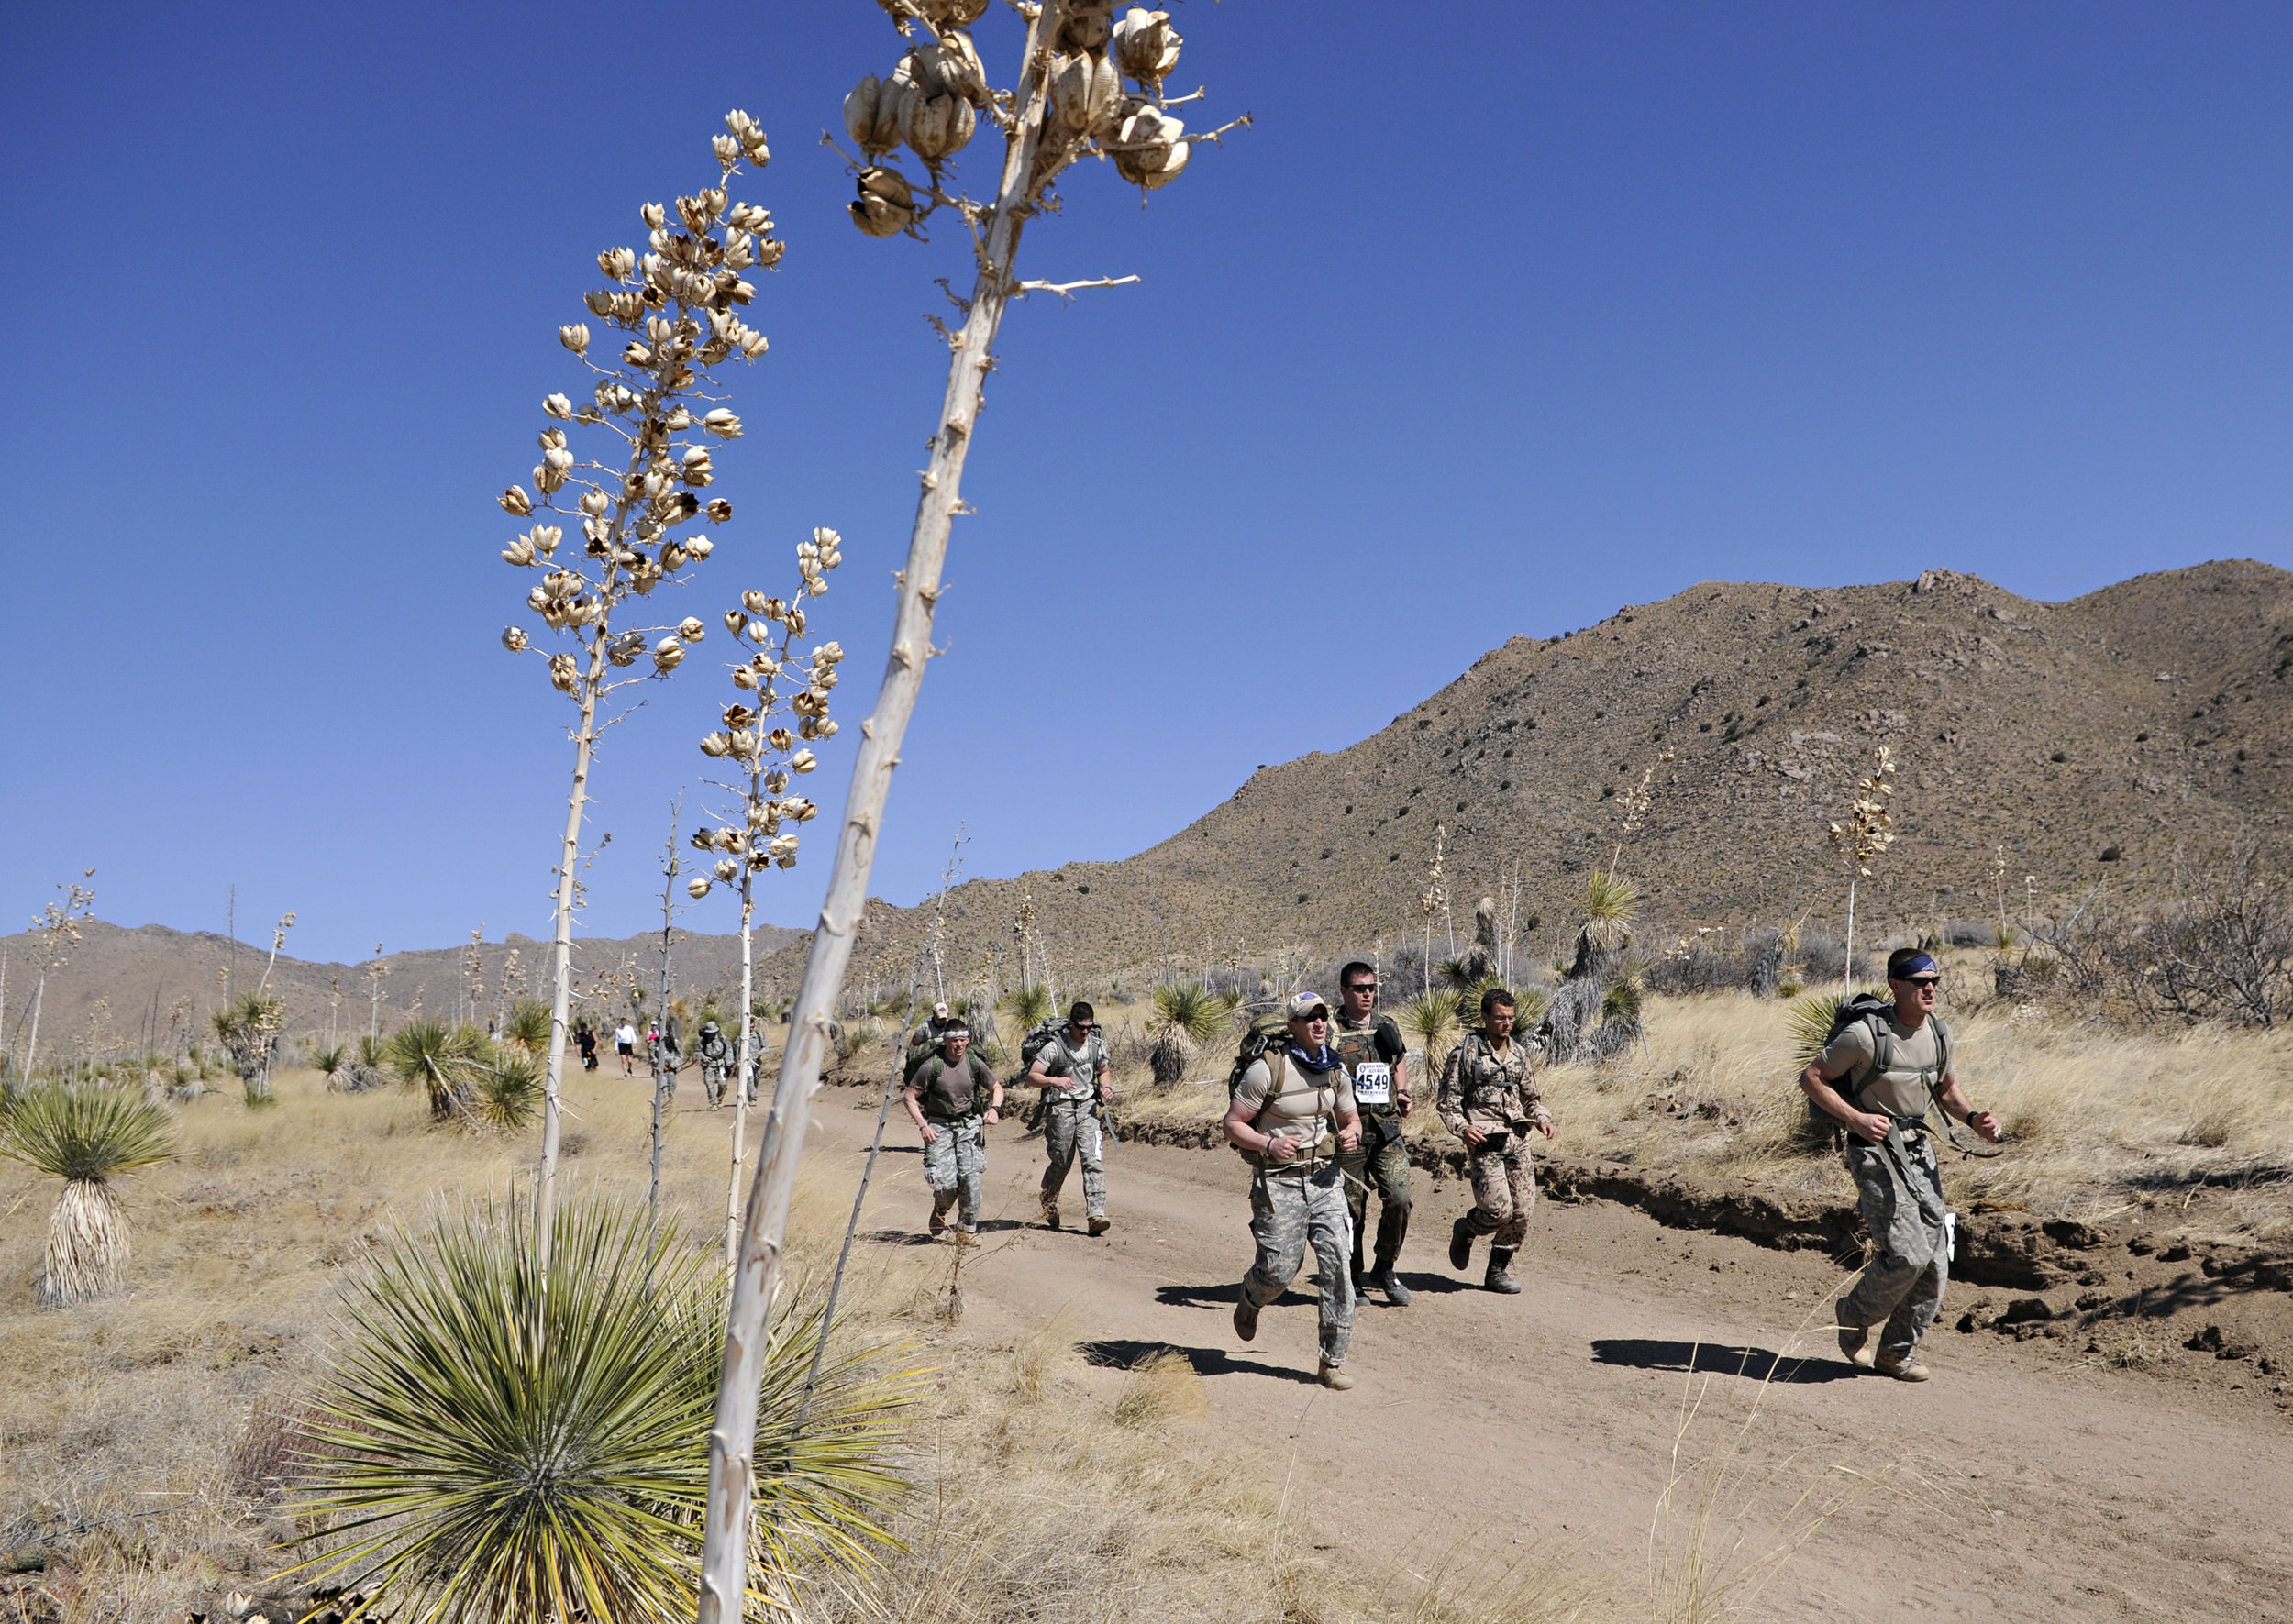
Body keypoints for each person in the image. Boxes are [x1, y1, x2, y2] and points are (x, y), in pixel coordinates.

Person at [1801, 948, 2002, 1381]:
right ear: (1895, 985)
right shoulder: (1863, 1035)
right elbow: (1812, 1078)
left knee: (1935, 1262)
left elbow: (1947, 1089)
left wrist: (1972, 1119)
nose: (1929, 988)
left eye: (1934, 980)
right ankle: (1853, 1315)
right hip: (1873, 1152)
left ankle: (1896, 1354)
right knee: (1908, 1254)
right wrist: (1854, 1117)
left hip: (1919, 1152)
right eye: (1918, 981)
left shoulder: (1939, 1033)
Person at [1224, 990, 1363, 1390]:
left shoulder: (1335, 1069)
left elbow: (1350, 1118)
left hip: (1324, 1180)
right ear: (1293, 1026)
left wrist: (1351, 1133)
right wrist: (1268, 1144)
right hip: (1278, 1181)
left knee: (1339, 1268)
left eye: (1323, 1017)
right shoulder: (1268, 1071)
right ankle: (1251, 1298)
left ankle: (1331, 1363)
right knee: (1280, 1271)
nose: (1319, 1023)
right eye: (1309, 1018)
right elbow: (1232, 1124)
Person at [1438, 988, 1552, 1295]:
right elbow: (1447, 1102)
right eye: (1500, 1017)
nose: (1506, 1024)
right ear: (1485, 1016)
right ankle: (1467, 1228)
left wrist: (1542, 1117)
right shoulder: (1465, 1054)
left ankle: (1497, 1271)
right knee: (1497, 1211)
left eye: (1511, 1018)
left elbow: (1531, 1097)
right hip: (1486, 1142)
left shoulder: (1519, 1054)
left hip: (1518, 1139)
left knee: (1522, 1212)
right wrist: (1462, 1129)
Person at [1331, 960, 1413, 1306]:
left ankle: (1384, 1268)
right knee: (1352, 1210)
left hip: (1386, 1130)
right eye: (1360, 989)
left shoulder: (1386, 1025)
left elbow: (1398, 1062)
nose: (1368, 994)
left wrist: (1404, 1092)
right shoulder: (1330, 1030)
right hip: (1349, 1132)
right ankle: (1352, 1276)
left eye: (1372, 988)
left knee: (1399, 1198)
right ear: (1345, 991)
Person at [903, 1021, 1002, 1242]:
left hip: (969, 1126)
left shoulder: (973, 1063)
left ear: (968, 1040)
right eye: (954, 1040)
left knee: (971, 1180)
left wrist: (995, 1109)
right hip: (939, 1127)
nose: (959, 1044)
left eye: (963, 1039)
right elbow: (909, 1097)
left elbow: (996, 1088)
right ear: (945, 1040)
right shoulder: (932, 1066)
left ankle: (965, 1232)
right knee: (947, 1185)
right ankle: (940, 1211)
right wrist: (923, 1125)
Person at [1026, 1000, 1113, 1235]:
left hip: (1088, 1109)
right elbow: (1032, 1077)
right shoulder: (1054, 1047)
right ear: (1070, 1023)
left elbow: (1104, 1071)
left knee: (1092, 1161)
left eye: (1089, 1027)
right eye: (1080, 1027)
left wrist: (1106, 1088)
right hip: (1061, 1109)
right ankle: (1049, 1199)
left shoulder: (1096, 1045)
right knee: (1062, 1161)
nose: (1085, 1032)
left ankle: (1096, 1214)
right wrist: (1054, 1080)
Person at [905, 1001, 959, 1079]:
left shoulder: (951, 1027)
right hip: (929, 1060)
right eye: (939, 1019)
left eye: (944, 1018)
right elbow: (913, 1046)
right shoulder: (924, 1028)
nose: (942, 1021)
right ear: (934, 1015)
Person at [695, 1019, 734, 1108]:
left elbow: (729, 1050)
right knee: (709, 1084)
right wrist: (704, 1058)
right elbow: (697, 1051)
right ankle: (713, 1103)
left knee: (723, 1084)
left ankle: (719, 1099)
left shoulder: (722, 1038)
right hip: (709, 1065)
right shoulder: (702, 1040)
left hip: (721, 1064)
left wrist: (729, 1061)